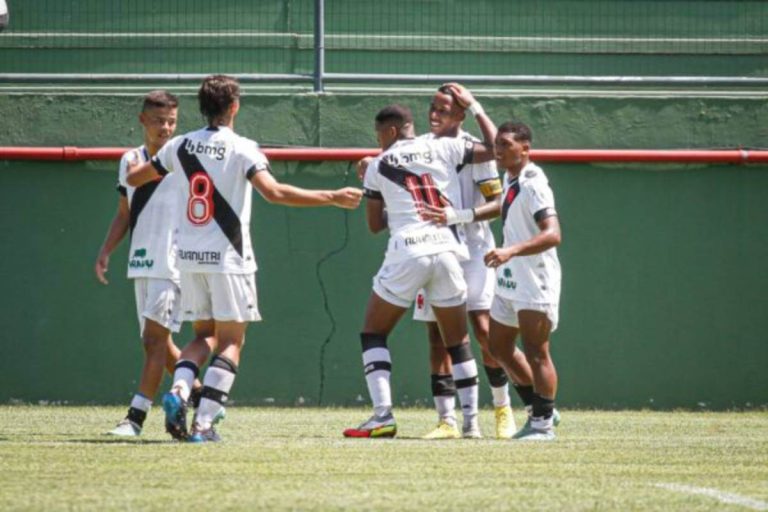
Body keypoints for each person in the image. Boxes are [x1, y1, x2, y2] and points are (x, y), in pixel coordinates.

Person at [126, 75, 362, 443]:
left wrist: (166, 167)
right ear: (234, 107)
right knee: (232, 341)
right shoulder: (243, 148)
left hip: (188, 259)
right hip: (228, 259)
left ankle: (180, 391)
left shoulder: (180, 145)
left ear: (203, 107)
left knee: (202, 335)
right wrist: (332, 195)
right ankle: (203, 424)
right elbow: (276, 192)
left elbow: (136, 175)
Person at [343, 83, 497, 439]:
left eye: (380, 135)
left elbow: (374, 226)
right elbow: (492, 148)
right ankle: (472, 424)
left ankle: (382, 415)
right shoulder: (443, 145)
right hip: (447, 250)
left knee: (373, 332)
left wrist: (370, 183)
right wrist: (474, 106)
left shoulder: (379, 163)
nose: (379, 141)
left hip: (408, 251)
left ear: (391, 131)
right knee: (457, 341)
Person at [95, 90, 193, 437]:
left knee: (154, 341)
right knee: (159, 347)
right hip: (141, 261)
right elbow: (124, 213)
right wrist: (106, 250)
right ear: (142, 120)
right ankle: (199, 393)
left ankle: (134, 419)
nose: (165, 128)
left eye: (171, 121)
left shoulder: (183, 155)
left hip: (173, 263)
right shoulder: (129, 160)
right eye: (158, 121)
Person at [483, 121, 562, 441]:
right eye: (496, 145)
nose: (498, 150)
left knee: (536, 351)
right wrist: (454, 216)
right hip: (509, 277)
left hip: (534, 278)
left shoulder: (533, 184)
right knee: (497, 345)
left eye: (505, 145)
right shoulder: (509, 176)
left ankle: (542, 426)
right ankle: (542, 409)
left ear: (525, 149)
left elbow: (553, 234)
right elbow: (501, 207)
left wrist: (511, 251)